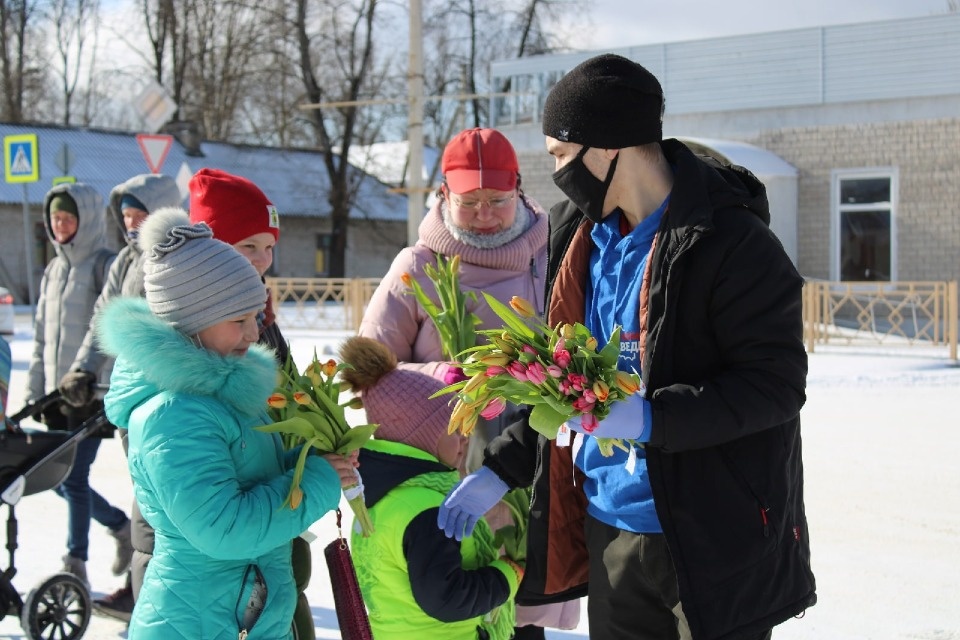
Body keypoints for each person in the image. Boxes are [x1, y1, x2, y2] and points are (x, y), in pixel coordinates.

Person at [438, 53, 816, 639]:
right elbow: (557, 380)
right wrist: (503, 467)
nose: (559, 172)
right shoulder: (575, 235)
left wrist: (652, 417)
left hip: (713, 537)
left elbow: (775, 384)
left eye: (562, 155)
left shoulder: (732, 242)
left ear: (608, 147)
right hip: (608, 527)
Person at [93, 207, 357, 639]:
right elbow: (225, 529)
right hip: (200, 622)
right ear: (189, 326)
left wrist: (309, 459)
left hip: (237, 615)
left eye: (255, 317)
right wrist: (315, 482)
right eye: (238, 321)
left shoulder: (225, 391)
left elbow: (248, 468)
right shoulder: (172, 416)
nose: (254, 334)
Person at [358, 127, 578, 637]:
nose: (484, 214)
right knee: (465, 602)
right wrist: (446, 378)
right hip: (444, 473)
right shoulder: (418, 267)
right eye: (469, 201)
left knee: (523, 603)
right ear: (443, 196)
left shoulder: (551, 258)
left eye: (497, 201)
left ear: (519, 190)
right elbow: (369, 371)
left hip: (531, 460)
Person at [189, 167, 316, 637]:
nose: (263, 260)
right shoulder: (194, 325)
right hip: (219, 520)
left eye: (269, 247)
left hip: (267, 499)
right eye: (248, 246)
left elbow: (284, 393)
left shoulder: (260, 312)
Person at [339, 335, 522, 640]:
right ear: (419, 437)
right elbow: (446, 597)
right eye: (453, 427)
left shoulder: (377, 496)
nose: (465, 437)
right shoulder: (429, 511)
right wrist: (506, 577)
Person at [58, 172, 182, 621]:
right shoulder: (123, 263)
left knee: (162, 502)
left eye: (140, 215)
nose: (132, 225)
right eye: (126, 216)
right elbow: (101, 320)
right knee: (144, 500)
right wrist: (82, 369)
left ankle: (154, 594)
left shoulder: (177, 260)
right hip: (128, 400)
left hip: (166, 399)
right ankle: (142, 589)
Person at [25, 182, 131, 590]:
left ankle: (76, 562)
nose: (60, 224)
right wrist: (36, 391)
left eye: (68, 217)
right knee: (49, 477)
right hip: (58, 394)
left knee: (71, 478)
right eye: (54, 217)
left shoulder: (103, 264)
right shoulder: (53, 269)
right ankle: (119, 525)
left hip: (90, 396)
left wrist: (99, 381)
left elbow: (112, 328)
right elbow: (40, 338)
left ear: (85, 221)